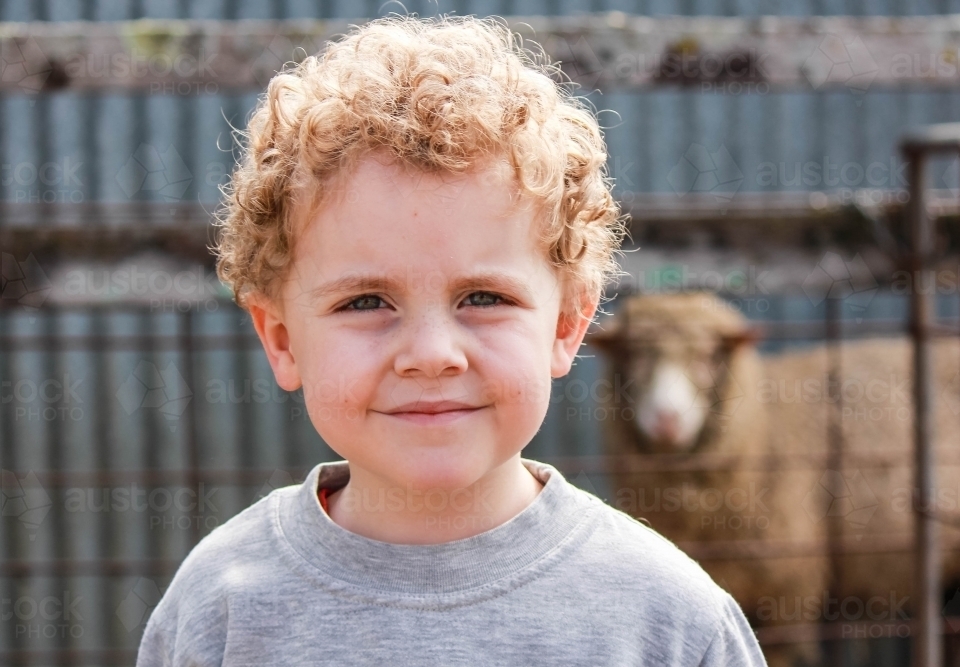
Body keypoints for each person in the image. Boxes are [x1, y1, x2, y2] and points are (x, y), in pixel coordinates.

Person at [136, 13, 767, 666]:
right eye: (366, 301)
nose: (433, 354)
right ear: (282, 339)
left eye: (484, 298)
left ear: (566, 324)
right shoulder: (220, 608)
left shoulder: (670, 621)